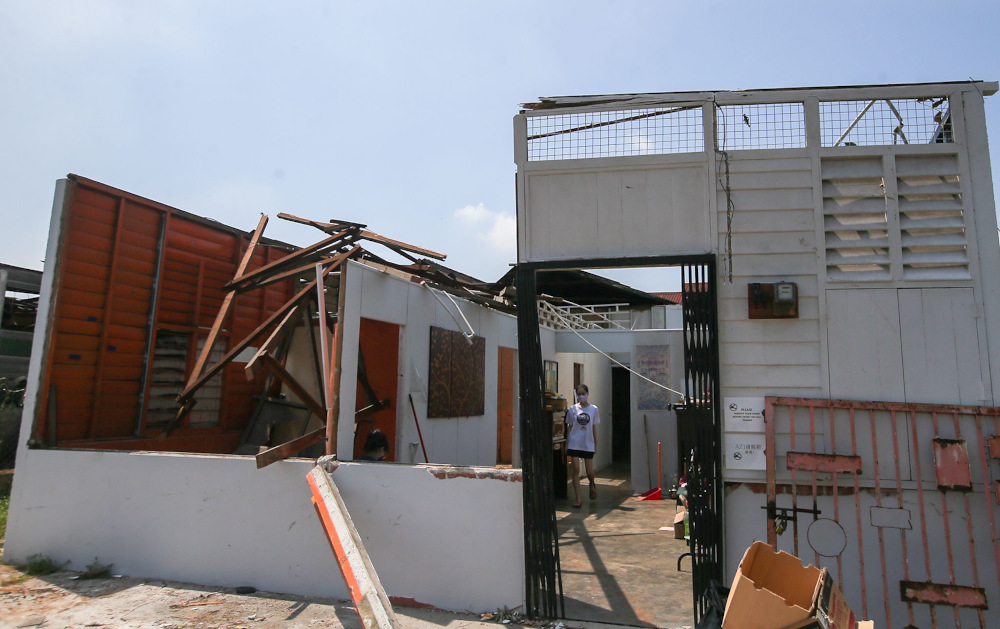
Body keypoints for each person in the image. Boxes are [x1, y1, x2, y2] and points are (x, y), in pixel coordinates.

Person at [566, 384, 600, 507]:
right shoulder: (572, 409)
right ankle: (578, 499)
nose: (581, 396)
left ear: (587, 394)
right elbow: (570, 427)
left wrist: (595, 444)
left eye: (583, 393)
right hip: (574, 443)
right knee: (575, 470)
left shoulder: (593, 409)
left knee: (589, 471)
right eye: (578, 394)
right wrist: (567, 443)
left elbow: (594, 427)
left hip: (587, 443)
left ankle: (592, 483)